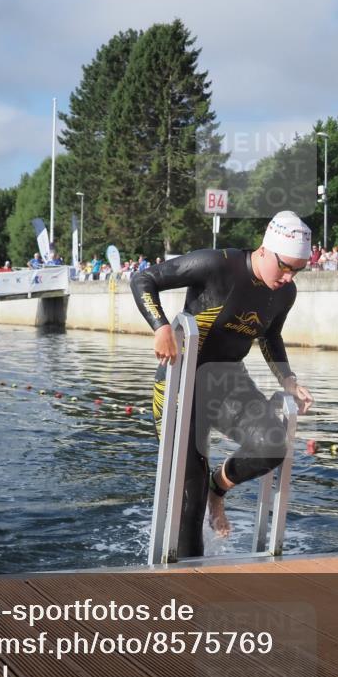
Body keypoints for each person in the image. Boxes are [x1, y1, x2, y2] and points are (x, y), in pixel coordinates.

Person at [130, 211, 315, 559]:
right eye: (286, 266)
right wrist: (161, 327)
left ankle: (219, 487)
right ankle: (190, 582)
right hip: (181, 383)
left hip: (228, 380)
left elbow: (271, 335)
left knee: (272, 445)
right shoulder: (217, 264)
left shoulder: (284, 293)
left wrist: (287, 380)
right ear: (265, 250)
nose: (289, 277)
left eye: (298, 270)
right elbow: (143, 280)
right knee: (189, 495)